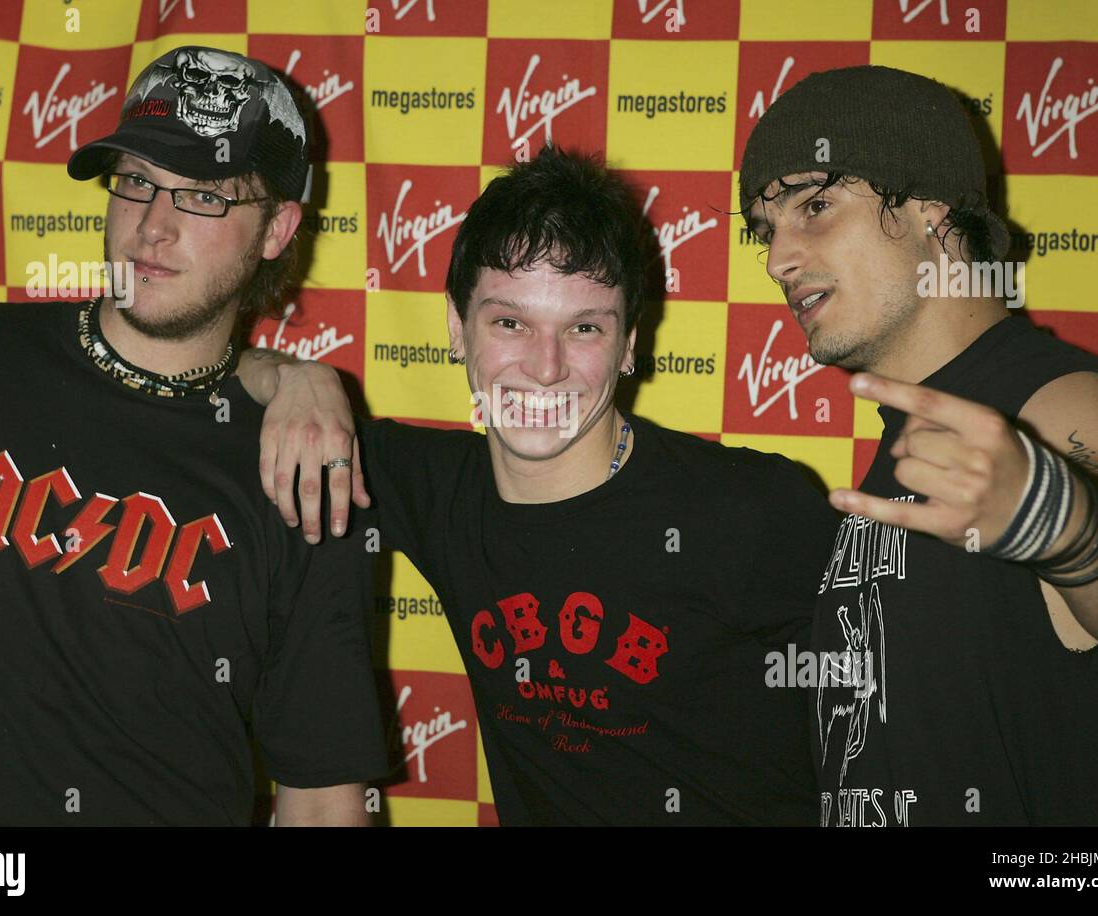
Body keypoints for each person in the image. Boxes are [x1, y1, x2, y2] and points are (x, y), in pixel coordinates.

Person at [238, 145, 841, 825]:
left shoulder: (754, 508)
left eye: (584, 327)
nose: (545, 367)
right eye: (510, 322)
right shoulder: (430, 488)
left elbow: (920, 704)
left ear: (629, 343)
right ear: (456, 328)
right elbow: (227, 372)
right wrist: (298, 378)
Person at [0, 46, 386, 826]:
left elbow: (320, 799)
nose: (154, 225)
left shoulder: (300, 464)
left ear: (279, 227)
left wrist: (296, 377)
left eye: (205, 195)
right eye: (140, 180)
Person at [738, 65, 1098, 825]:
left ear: (932, 210)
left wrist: (1062, 524)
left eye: (816, 205)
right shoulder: (908, 434)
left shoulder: (1056, 401)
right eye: (767, 229)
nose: (779, 259)